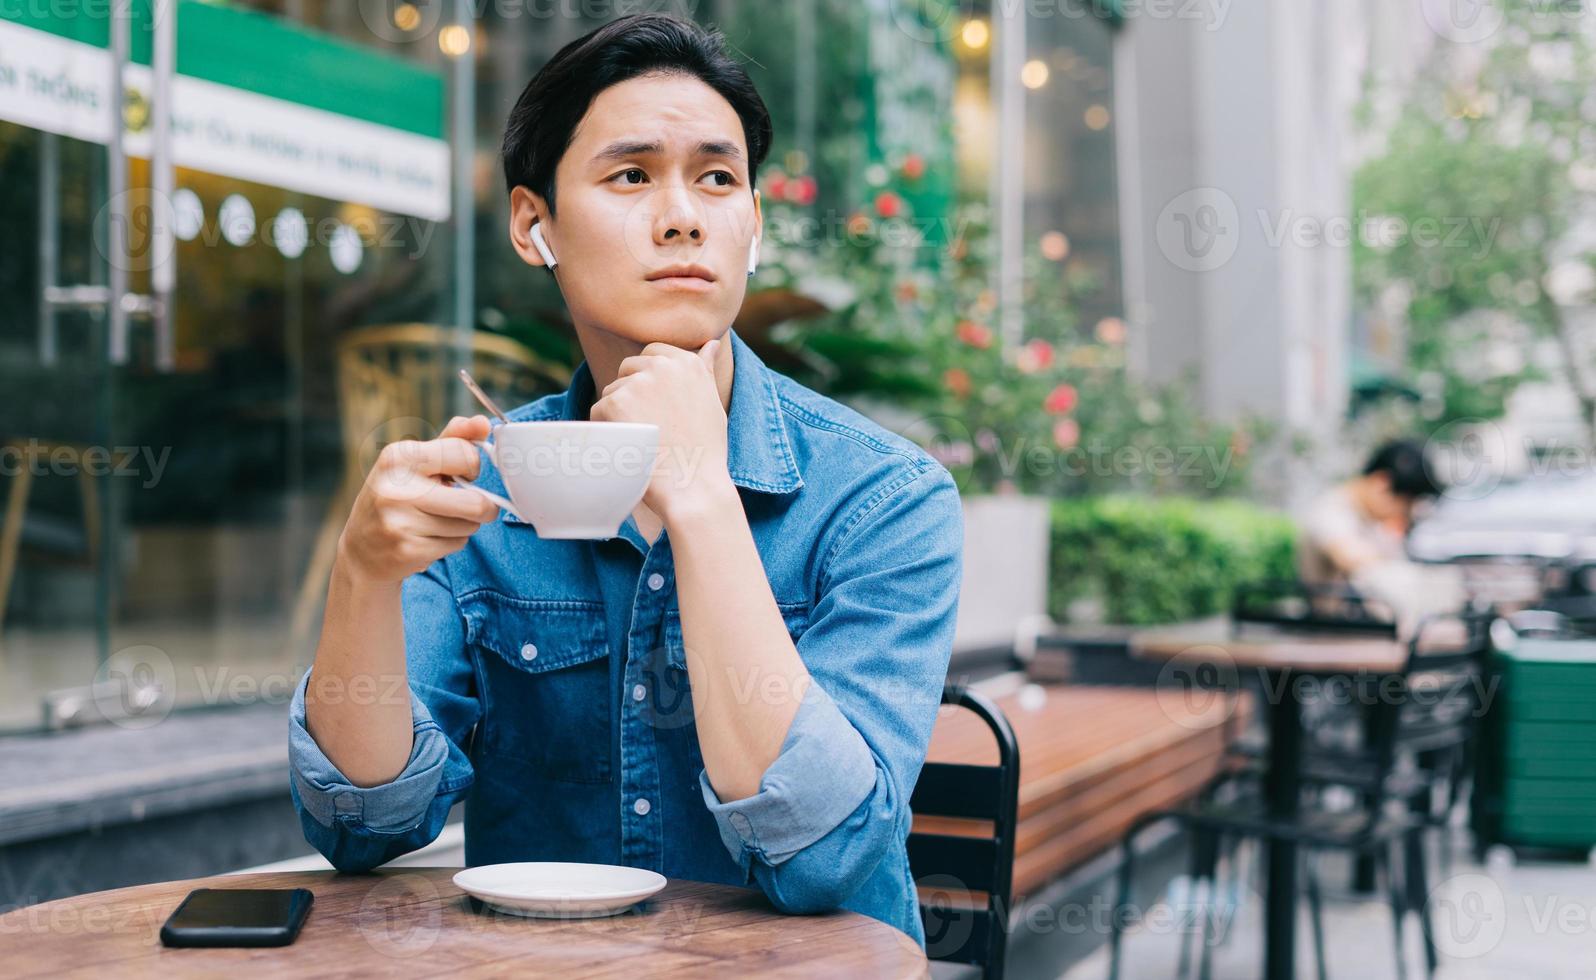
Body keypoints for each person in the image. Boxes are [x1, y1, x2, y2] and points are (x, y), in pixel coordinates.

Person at [286, 14, 963, 948]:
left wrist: (699, 497)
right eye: (631, 174)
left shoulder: (883, 499)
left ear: (753, 226)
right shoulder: (482, 489)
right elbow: (360, 827)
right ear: (535, 226)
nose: (684, 213)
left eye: (718, 178)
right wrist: (361, 576)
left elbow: (823, 858)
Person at [1297, 440, 1462, 630]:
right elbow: (1351, 557)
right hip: (1337, 632)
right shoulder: (1330, 511)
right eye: (1405, 505)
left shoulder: (1371, 521)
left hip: (1367, 631)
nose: (1405, 515)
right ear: (1381, 485)